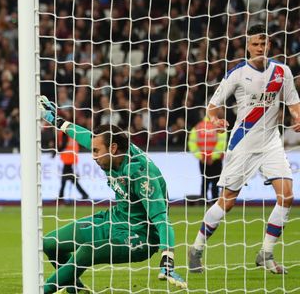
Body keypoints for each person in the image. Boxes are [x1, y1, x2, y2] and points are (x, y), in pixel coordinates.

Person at [38, 96, 187, 293]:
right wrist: (52, 118)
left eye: (96, 151)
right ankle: (78, 290)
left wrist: (167, 258)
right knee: (48, 244)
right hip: (114, 219)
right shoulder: (107, 151)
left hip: (140, 236)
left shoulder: (141, 175)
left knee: (87, 251)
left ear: (113, 148)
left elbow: (162, 220)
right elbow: (81, 134)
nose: (93, 156)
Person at [188, 24, 300, 274]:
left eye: (264, 44)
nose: (260, 48)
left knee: (287, 195)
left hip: (271, 142)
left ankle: (266, 253)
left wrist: (296, 117)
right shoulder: (237, 74)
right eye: (255, 45)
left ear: (269, 45)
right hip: (243, 143)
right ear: (248, 46)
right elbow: (213, 106)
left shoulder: (282, 72)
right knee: (226, 202)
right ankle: (196, 248)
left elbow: (294, 103)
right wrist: (216, 120)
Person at [187, 112, 227, 204]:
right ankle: (215, 202)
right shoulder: (219, 126)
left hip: (203, 160)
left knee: (204, 181)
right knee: (216, 182)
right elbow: (222, 143)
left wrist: (201, 157)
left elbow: (192, 143)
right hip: (215, 160)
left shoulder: (198, 127)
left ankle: (202, 201)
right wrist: (212, 157)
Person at [55, 129, 89, 201]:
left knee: (65, 179)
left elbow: (64, 144)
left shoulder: (64, 133)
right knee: (70, 179)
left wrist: (56, 151)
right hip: (71, 157)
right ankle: (84, 194)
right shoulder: (71, 133)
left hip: (68, 158)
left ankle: (61, 197)